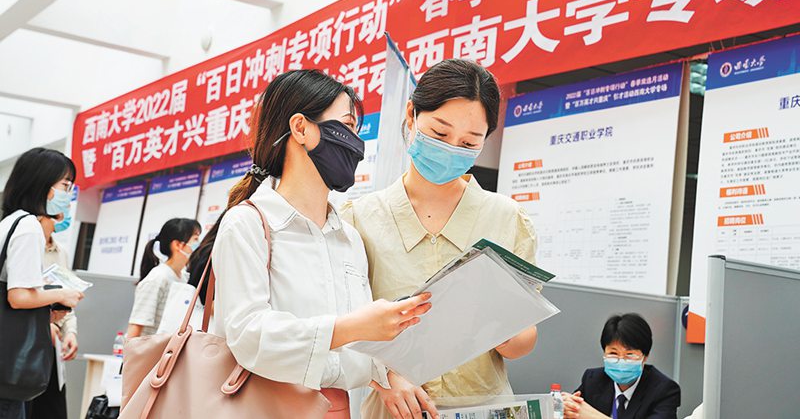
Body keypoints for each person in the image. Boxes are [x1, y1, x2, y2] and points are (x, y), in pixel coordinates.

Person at [212, 69, 432, 419]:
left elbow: (352, 349)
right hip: (265, 408)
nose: (356, 143)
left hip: (338, 409)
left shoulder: (349, 238)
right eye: (347, 126)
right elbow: (249, 336)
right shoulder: (247, 224)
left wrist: (386, 374)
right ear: (301, 128)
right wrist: (351, 327)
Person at [340, 59, 539, 419]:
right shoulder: (360, 218)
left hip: (482, 408)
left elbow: (525, 337)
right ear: (412, 114)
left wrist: (503, 333)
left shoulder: (507, 219)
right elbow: (342, 328)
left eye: (469, 142)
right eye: (440, 133)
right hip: (395, 411)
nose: (451, 149)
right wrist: (384, 375)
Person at [0, 148, 84, 419]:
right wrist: (62, 294)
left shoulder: (11, 222)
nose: (68, 194)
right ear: (44, 185)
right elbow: (18, 296)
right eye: (65, 186)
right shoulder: (28, 227)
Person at [562, 314, 681, 419]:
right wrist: (565, 406)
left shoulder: (664, 391)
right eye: (613, 353)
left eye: (629, 354)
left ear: (645, 356)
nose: (621, 360)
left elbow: (585, 413)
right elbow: (573, 411)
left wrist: (592, 416)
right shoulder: (592, 379)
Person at [27, 214, 79, 419]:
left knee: (51, 409)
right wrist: (43, 324)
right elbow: (17, 297)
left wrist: (70, 332)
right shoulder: (25, 244)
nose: (62, 216)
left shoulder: (61, 252)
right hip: (27, 344)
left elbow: (66, 295)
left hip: (52, 348)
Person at [126, 218, 199, 338]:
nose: (198, 245)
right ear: (178, 245)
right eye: (195, 240)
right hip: (151, 348)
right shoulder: (158, 278)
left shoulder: (184, 278)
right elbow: (136, 326)